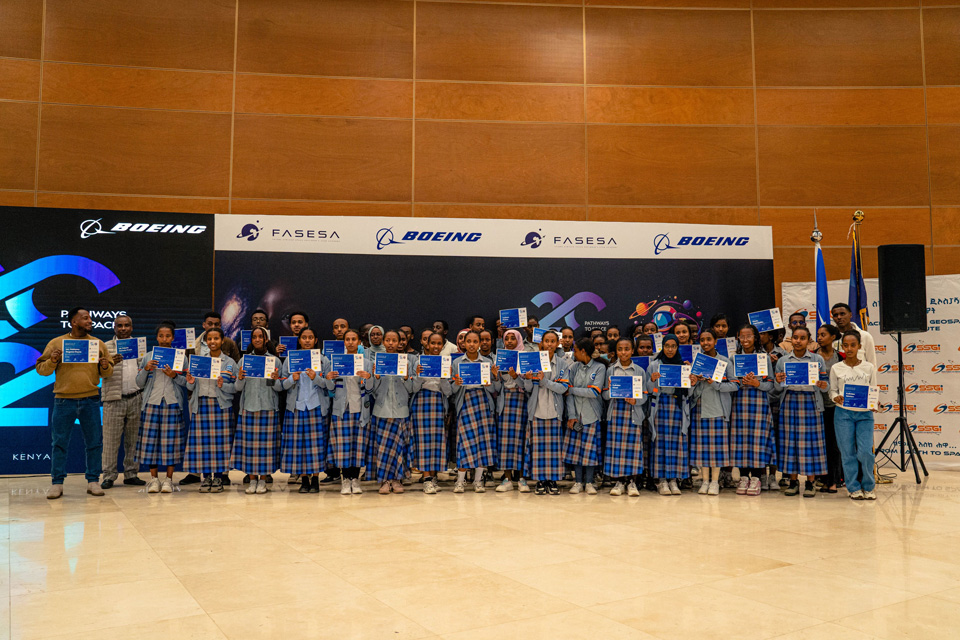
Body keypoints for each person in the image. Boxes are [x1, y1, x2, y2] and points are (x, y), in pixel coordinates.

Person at [36, 307, 113, 499]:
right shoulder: (57, 343)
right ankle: (57, 483)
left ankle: (93, 481)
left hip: (90, 400)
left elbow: (108, 372)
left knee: (94, 443)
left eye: (90, 318)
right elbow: (42, 370)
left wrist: (105, 366)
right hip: (64, 401)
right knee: (59, 444)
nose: (90, 321)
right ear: (73, 322)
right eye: (85, 318)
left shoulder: (97, 344)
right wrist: (53, 360)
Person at [181, 327, 237, 493]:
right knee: (203, 445)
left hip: (221, 407)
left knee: (221, 444)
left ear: (222, 340)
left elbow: (235, 388)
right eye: (209, 339)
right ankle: (206, 478)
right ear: (206, 342)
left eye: (216, 338)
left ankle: (218, 477)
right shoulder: (198, 361)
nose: (213, 342)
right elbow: (190, 386)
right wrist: (190, 381)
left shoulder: (229, 363)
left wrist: (223, 385)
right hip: (201, 405)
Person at [774, 326, 828, 498]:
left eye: (802, 338)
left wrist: (823, 385)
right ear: (791, 339)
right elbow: (777, 388)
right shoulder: (783, 361)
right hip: (790, 403)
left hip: (811, 403)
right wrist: (778, 380)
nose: (798, 341)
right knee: (790, 443)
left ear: (808, 340)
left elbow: (826, 386)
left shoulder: (817, 359)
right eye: (795, 337)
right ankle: (793, 481)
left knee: (811, 444)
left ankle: (810, 482)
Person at [137, 321, 187, 494]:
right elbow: (139, 383)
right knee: (150, 442)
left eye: (168, 336)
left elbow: (187, 383)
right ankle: (153, 479)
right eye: (161, 336)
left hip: (172, 403)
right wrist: (145, 369)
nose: (164, 339)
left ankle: (168, 480)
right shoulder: (148, 357)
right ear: (157, 337)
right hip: (152, 403)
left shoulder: (181, 357)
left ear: (173, 338)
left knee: (170, 442)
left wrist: (174, 375)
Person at [278, 327, 329, 494]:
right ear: (299, 340)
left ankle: (315, 479)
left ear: (315, 340)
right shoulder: (290, 360)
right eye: (304, 338)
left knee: (316, 446)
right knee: (298, 446)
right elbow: (281, 385)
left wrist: (317, 378)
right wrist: (292, 378)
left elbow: (330, 385)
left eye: (310, 337)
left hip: (316, 406)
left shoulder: (323, 360)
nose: (307, 340)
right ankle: (304, 479)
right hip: (296, 407)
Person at [830, 330, 879, 500]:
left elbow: (873, 390)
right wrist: (835, 397)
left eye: (853, 345)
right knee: (848, 453)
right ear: (842, 347)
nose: (849, 348)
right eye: (846, 345)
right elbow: (832, 390)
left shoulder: (869, 367)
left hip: (864, 415)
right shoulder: (836, 368)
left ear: (859, 346)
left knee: (865, 452)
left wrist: (874, 403)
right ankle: (853, 487)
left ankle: (869, 486)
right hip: (843, 414)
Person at [325, 328, 373, 495]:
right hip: (342, 409)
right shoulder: (336, 361)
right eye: (348, 339)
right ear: (344, 342)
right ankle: (345, 479)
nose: (351, 342)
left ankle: (355, 479)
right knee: (343, 445)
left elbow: (370, 388)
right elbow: (331, 389)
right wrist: (328, 379)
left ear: (359, 342)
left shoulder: (366, 363)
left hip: (359, 408)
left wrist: (368, 378)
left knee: (358, 445)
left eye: (354, 339)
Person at [233, 327, 281, 495]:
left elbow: (279, 388)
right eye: (255, 337)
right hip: (249, 408)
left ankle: (262, 480)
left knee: (266, 448)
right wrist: (240, 377)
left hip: (268, 408)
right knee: (250, 447)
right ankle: (252, 479)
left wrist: (274, 380)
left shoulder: (274, 361)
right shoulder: (243, 361)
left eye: (261, 337)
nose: (258, 339)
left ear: (266, 339)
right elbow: (238, 387)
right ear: (251, 340)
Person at [729, 324, 776, 496]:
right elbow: (730, 383)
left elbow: (771, 384)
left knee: (757, 440)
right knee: (740, 440)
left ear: (755, 337)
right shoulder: (733, 359)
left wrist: (757, 383)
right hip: (739, 404)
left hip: (759, 404)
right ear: (738, 338)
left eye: (749, 336)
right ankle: (743, 477)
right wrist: (741, 382)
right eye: (742, 336)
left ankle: (756, 478)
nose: (745, 340)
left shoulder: (763, 358)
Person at [99, 314, 145, 489]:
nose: (123, 328)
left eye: (126, 325)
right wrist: (108, 363)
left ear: (131, 328)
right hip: (113, 399)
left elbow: (144, 370)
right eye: (120, 325)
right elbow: (98, 372)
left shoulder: (139, 346)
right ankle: (108, 476)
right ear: (114, 328)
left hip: (136, 397)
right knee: (110, 441)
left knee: (134, 440)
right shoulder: (105, 347)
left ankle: (131, 474)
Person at [451, 330, 500, 493]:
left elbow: (495, 389)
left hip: (483, 403)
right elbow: (451, 391)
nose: (471, 344)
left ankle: (478, 481)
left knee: (482, 441)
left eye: (475, 341)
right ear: (463, 343)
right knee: (465, 442)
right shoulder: (457, 362)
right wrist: (456, 383)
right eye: (468, 341)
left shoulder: (487, 362)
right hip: (465, 403)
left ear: (479, 344)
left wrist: (493, 379)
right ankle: (460, 481)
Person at [688, 329, 736, 496]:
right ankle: (705, 480)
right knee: (702, 447)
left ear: (715, 341)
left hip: (718, 409)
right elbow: (690, 388)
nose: (705, 343)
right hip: (700, 408)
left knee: (717, 447)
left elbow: (734, 385)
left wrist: (715, 383)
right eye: (702, 340)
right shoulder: (697, 362)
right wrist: (693, 381)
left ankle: (714, 481)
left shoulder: (725, 362)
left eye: (709, 339)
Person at [524, 330, 568, 495]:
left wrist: (544, 381)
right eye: (546, 341)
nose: (549, 344)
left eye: (552, 341)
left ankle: (553, 480)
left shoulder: (562, 364)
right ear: (541, 343)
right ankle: (540, 480)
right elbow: (528, 388)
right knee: (538, 449)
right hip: (537, 410)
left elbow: (563, 388)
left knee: (555, 449)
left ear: (557, 344)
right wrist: (528, 379)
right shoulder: (534, 360)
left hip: (555, 411)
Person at [371, 330, 415, 494]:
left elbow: (411, 389)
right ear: (383, 342)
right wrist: (375, 377)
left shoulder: (406, 362)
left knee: (398, 448)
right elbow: (371, 390)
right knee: (383, 448)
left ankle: (397, 479)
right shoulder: (377, 361)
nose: (390, 343)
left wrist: (406, 377)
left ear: (399, 343)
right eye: (387, 340)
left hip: (400, 410)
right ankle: (384, 480)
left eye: (394, 340)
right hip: (381, 410)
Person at [603, 337, 646, 497]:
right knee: (617, 449)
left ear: (632, 350)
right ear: (616, 352)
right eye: (620, 349)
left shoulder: (639, 371)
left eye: (627, 349)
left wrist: (636, 400)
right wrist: (610, 390)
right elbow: (604, 396)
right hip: (616, 413)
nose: (623, 352)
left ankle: (632, 482)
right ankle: (619, 482)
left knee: (633, 449)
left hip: (633, 413)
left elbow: (645, 396)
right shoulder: (611, 370)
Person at [563, 338, 607, 495]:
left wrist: (572, 390)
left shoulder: (600, 368)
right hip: (576, 414)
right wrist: (571, 415)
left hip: (591, 415)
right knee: (576, 450)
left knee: (589, 451)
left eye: (575, 350)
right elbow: (568, 395)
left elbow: (595, 392)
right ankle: (578, 482)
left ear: (583, 351)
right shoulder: (573, 367)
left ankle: (589, 482)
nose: (574, 354)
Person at [410, 332, 453, 494]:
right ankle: (426, 478)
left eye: (439, 343)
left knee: (437, 441)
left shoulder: (445, 362)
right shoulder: (418, 361)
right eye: (432, 343)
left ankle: (434, 476)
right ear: (426, 344)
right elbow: (413, 389)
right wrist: (418, 376)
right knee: (423, 441)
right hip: (421, 403)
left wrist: (444, 377)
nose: (435, 346)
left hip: (438, 403)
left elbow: (448, 392)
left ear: (442, 345)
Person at [647, 334, 689, 496]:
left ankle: (674, 479)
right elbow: (649, 390)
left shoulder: (683, 365)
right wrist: (652, 380)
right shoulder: (654, 365)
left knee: (677, 442)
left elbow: (689, 391)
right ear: (662, 347)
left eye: (673, 346)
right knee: (660, 442)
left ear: (677, 348)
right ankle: (662, 480)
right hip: (660, 406)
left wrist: (690, 378)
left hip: (678, 406)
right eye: (667, 346)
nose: (670, 349)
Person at [495, 329, 532, 493]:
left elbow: (528, 387)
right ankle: (507, 479)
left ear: (519, 340)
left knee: (521, 440)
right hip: (505, 403)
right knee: (506, 441)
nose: (509, 341)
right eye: (507, 339)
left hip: (521, 402)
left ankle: (522, 478)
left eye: (513, 338)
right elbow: (497, 388)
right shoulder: (500, 358)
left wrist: (516, 376)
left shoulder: (525, 358)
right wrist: (495, 376)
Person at [815, 324, 843, 494]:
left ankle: (834, 480)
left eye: (823, 335)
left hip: (834, 406)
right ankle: (822, 478)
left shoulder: (840, 357)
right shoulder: (812, 357)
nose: (819, 338)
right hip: (816, 406)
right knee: (820, 444)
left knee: (833, 444)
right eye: (818, 335)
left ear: (833, 337)